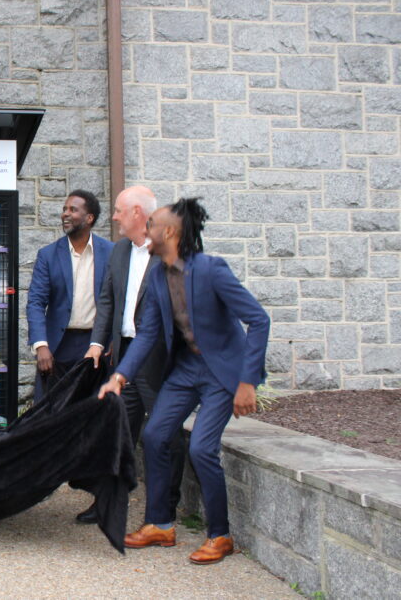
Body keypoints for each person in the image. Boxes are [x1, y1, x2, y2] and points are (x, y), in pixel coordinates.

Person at [98, 198, 270, 565]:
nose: (146, 230)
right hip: (186, 371)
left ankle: (220, 535)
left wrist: (247, 382)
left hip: (223, 372)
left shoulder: (211, 270)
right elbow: (147, 334)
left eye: (153, 224)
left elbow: (259, 320)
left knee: (201, 449)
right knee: (155, 435)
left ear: (170, 232)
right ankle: (161, 524)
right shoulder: (159, 274)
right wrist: (120, 376)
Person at [77, 186, 186, 526]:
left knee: (164, 435)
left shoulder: (171, 251)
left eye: (119, 211)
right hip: (122, 357)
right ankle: (107, 504)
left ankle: (165, 510)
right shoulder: (120, 250)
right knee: (116, 434)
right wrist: (97, 342)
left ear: (137, 213)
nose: (114, 217)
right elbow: (107, 299)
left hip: (159, 361)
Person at [26, 190, 113, 402]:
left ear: (89, 217)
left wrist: (111, 342)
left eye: (73, 210)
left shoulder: (111, 252)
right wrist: (41, 345)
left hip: (96, 345)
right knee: (49, 413)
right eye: (64, 209)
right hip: (58, 346)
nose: (65, 214)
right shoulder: (48, 255)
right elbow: (36, 302)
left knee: (93, 412)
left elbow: (117, 300)